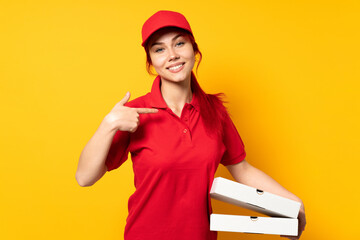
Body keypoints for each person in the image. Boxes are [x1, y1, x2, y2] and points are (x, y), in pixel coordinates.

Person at [75, 10, 306, 240]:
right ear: (151, 62)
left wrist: (293, 204)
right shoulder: (135, 113)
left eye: (179, 43)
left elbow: (242, 169)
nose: (172, 55)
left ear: (194, 49)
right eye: (159, 49)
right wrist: (108, 125)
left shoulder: (215, 111)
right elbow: (84, 178)